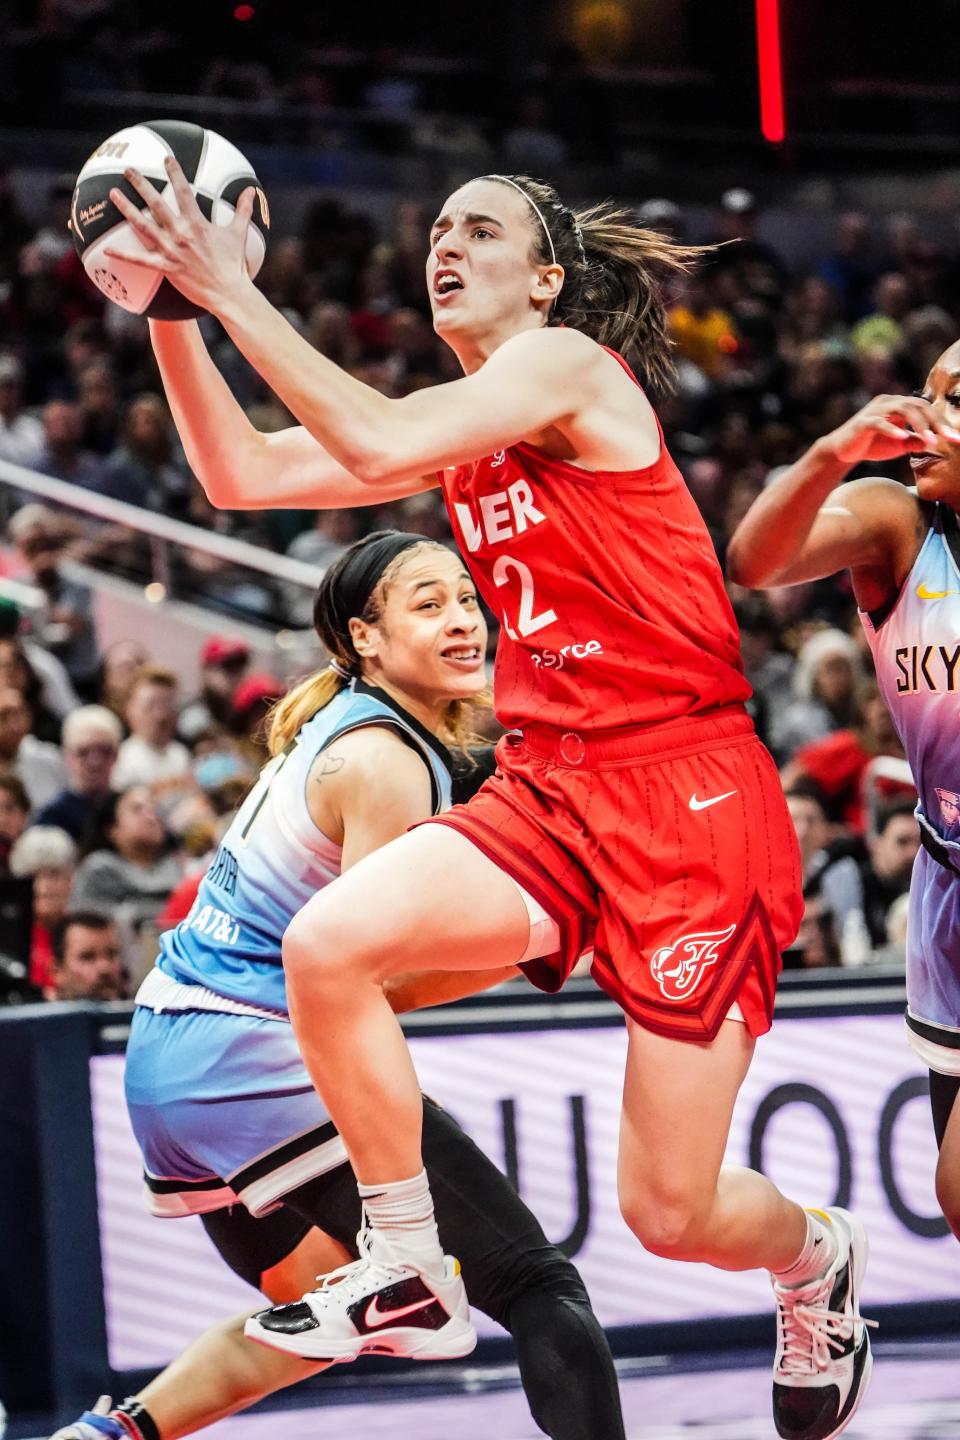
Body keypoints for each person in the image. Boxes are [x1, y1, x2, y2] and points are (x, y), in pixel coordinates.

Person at [110, 163, 871, 1439]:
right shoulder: (466, 423)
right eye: (439, 227)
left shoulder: (565, 366)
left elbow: (371, 442)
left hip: (688, 794)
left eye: (481, 227)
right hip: (554, 788)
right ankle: (406, 1264)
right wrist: (170, 311)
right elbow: (237, 474)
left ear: (550, 277)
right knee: (329, 946)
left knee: (669, 1214)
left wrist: (227, 281)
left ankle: (814, 1258)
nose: (444, 244)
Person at [52, 533, 626, 1440]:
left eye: (468, 600)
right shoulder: (388, 763)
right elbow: (380, 979)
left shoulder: (357, 722)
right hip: (250, 1047)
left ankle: (114, 1435)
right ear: (364, 636)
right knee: (535, 1284)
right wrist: (549, 949)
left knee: (339, 1306)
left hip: (168, 1054)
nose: (464, 621)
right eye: (427, 604)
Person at [727, 338, 960, 1243]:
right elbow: (753, 560)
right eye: (923, 394)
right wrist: (831, 451)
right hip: (946, 879)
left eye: (957, 398)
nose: (927, 417)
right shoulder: (894, 521)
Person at [32, 704, 123, 842]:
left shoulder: (128, 811)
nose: (95, 762)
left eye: (104, 751)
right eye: (83, 752)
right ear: (67, 757)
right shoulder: (53, 817)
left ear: (117, 755)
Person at [48, 910, 125, 1001]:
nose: (105, 968)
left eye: (111, 955)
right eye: (87, 957)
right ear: (56, 971)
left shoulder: (138, 1012)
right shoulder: (35, 1014)